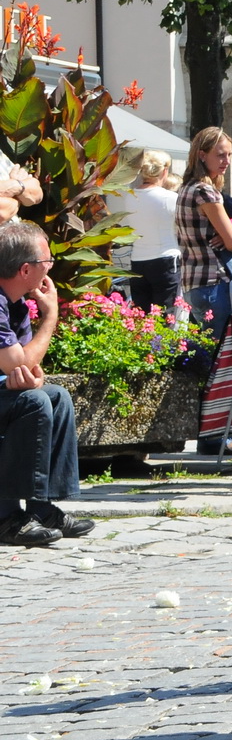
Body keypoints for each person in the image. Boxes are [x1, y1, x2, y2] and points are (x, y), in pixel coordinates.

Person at [0, 220, 92, 546]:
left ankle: (42, 508)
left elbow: (27, 364)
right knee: (35, 402)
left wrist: (31, 374)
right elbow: (17, 363)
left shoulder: (15, 303)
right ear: (25, 269)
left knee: (56, 397)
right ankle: (7, 517)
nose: (51, 266)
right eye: (46, 260)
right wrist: (51, 315)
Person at [177, 126, 232, 343]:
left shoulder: (186, 188)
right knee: (222, 354)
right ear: (202, 155)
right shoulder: (205, 192)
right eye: (221, 155)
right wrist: (231, 234)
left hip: (193, 281)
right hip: (214, 280)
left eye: (229, 155)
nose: (227, 161)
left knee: (208, 351)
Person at [124, 150, 181, 311]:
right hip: (165, 258)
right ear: (164, 171)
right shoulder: (170, 198)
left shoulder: (130, 196)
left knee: (141, 315)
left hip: (138, 260)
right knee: (165, 314)